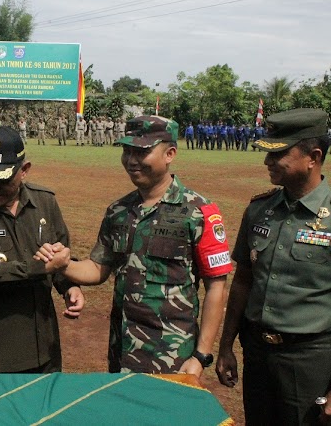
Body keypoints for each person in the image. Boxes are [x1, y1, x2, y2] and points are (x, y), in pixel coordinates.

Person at [36, 115, 232, 375]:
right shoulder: (118, 211)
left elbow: (216, 286)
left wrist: (201, 355)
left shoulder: (198, 211)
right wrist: (63, 265)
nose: (131, 161)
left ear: (170, 153)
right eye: (126, 151)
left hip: (174, 355)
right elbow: (97, 268)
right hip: (123, 350)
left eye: (141, 152)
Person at [216, 108, 331, 426]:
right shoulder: (259, 210)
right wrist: (226, 346)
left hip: (311, 360)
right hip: (258, 354)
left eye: (278, 153)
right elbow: (242, 282)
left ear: (313, 157)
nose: (267, 161)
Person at [0, 126, 85, 373]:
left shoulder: (44, 202)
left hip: (43, 345)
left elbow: (62, 252)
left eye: (1, 180)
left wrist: (69, 286)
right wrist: (41, 267)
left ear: (24, 170)